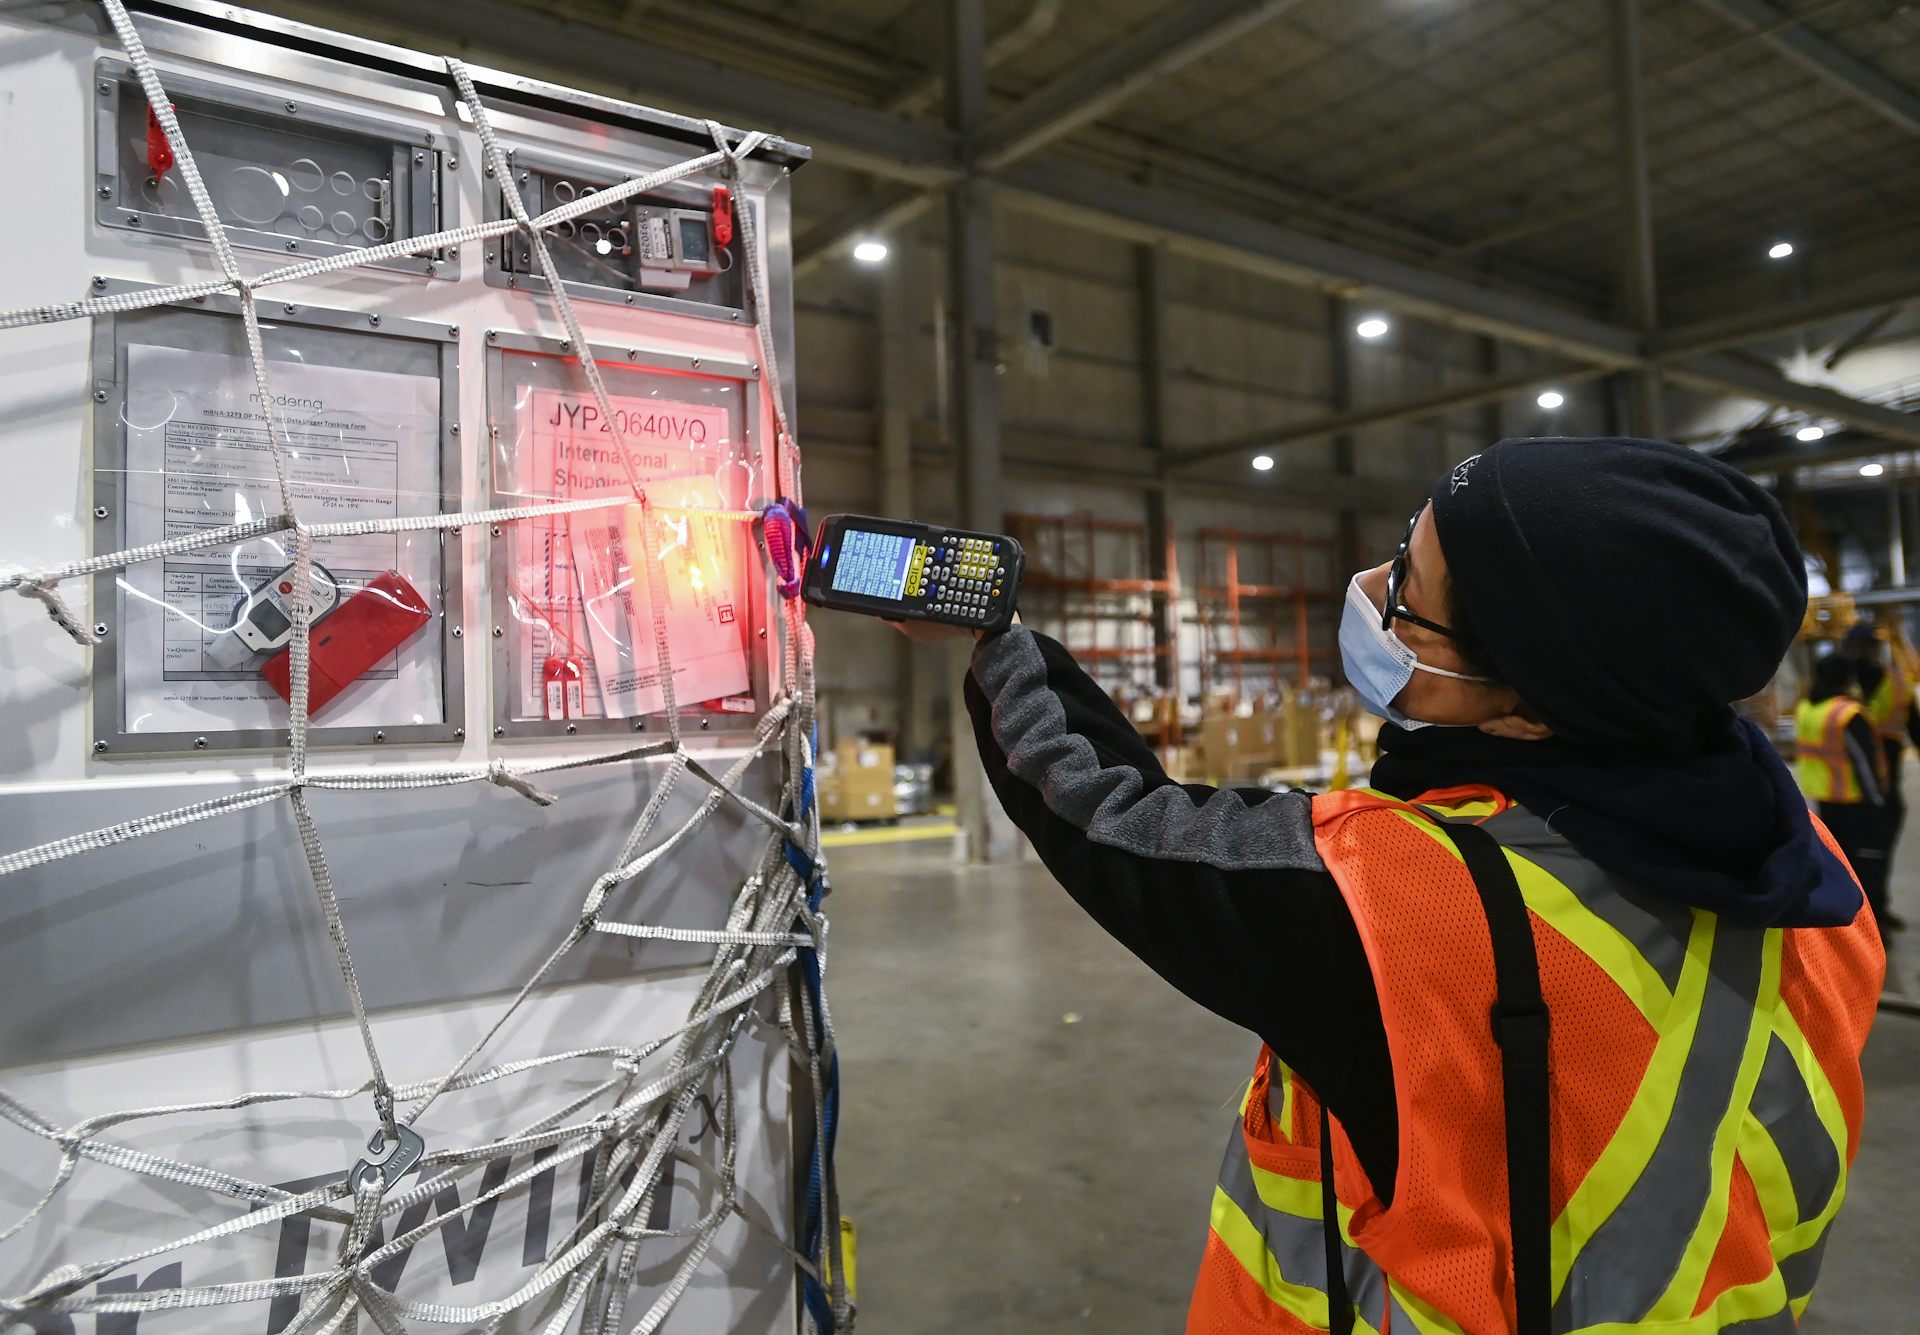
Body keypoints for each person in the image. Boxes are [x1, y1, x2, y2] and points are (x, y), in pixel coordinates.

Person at [891, 437, 1885, 1333]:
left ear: (1533, 710)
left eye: (1411, 590)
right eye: (1405, 540)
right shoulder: (1817, 881)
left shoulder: (1406, 910)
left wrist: (999, 642)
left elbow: (1110, 820)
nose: (1373, 587)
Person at [1795, 651, 1891, 943]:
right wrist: (1878, 802)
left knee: (1844, 864)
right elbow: (1863, 762)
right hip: (1855, 802)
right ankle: (1873, 929)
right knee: (1868, 866)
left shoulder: (1808, 708)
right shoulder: (1846, 713)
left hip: (1826, 799)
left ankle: (1853, 927)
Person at [1840, 620, 1917, 930]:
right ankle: (1859, 920)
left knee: (1878, 855)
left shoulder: (1895, 683)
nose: (1866, 652)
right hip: (1849, 790)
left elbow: (1913, 725)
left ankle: (1877, 913)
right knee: (1855, 859)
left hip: (1886, 785)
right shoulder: (1837, 684)